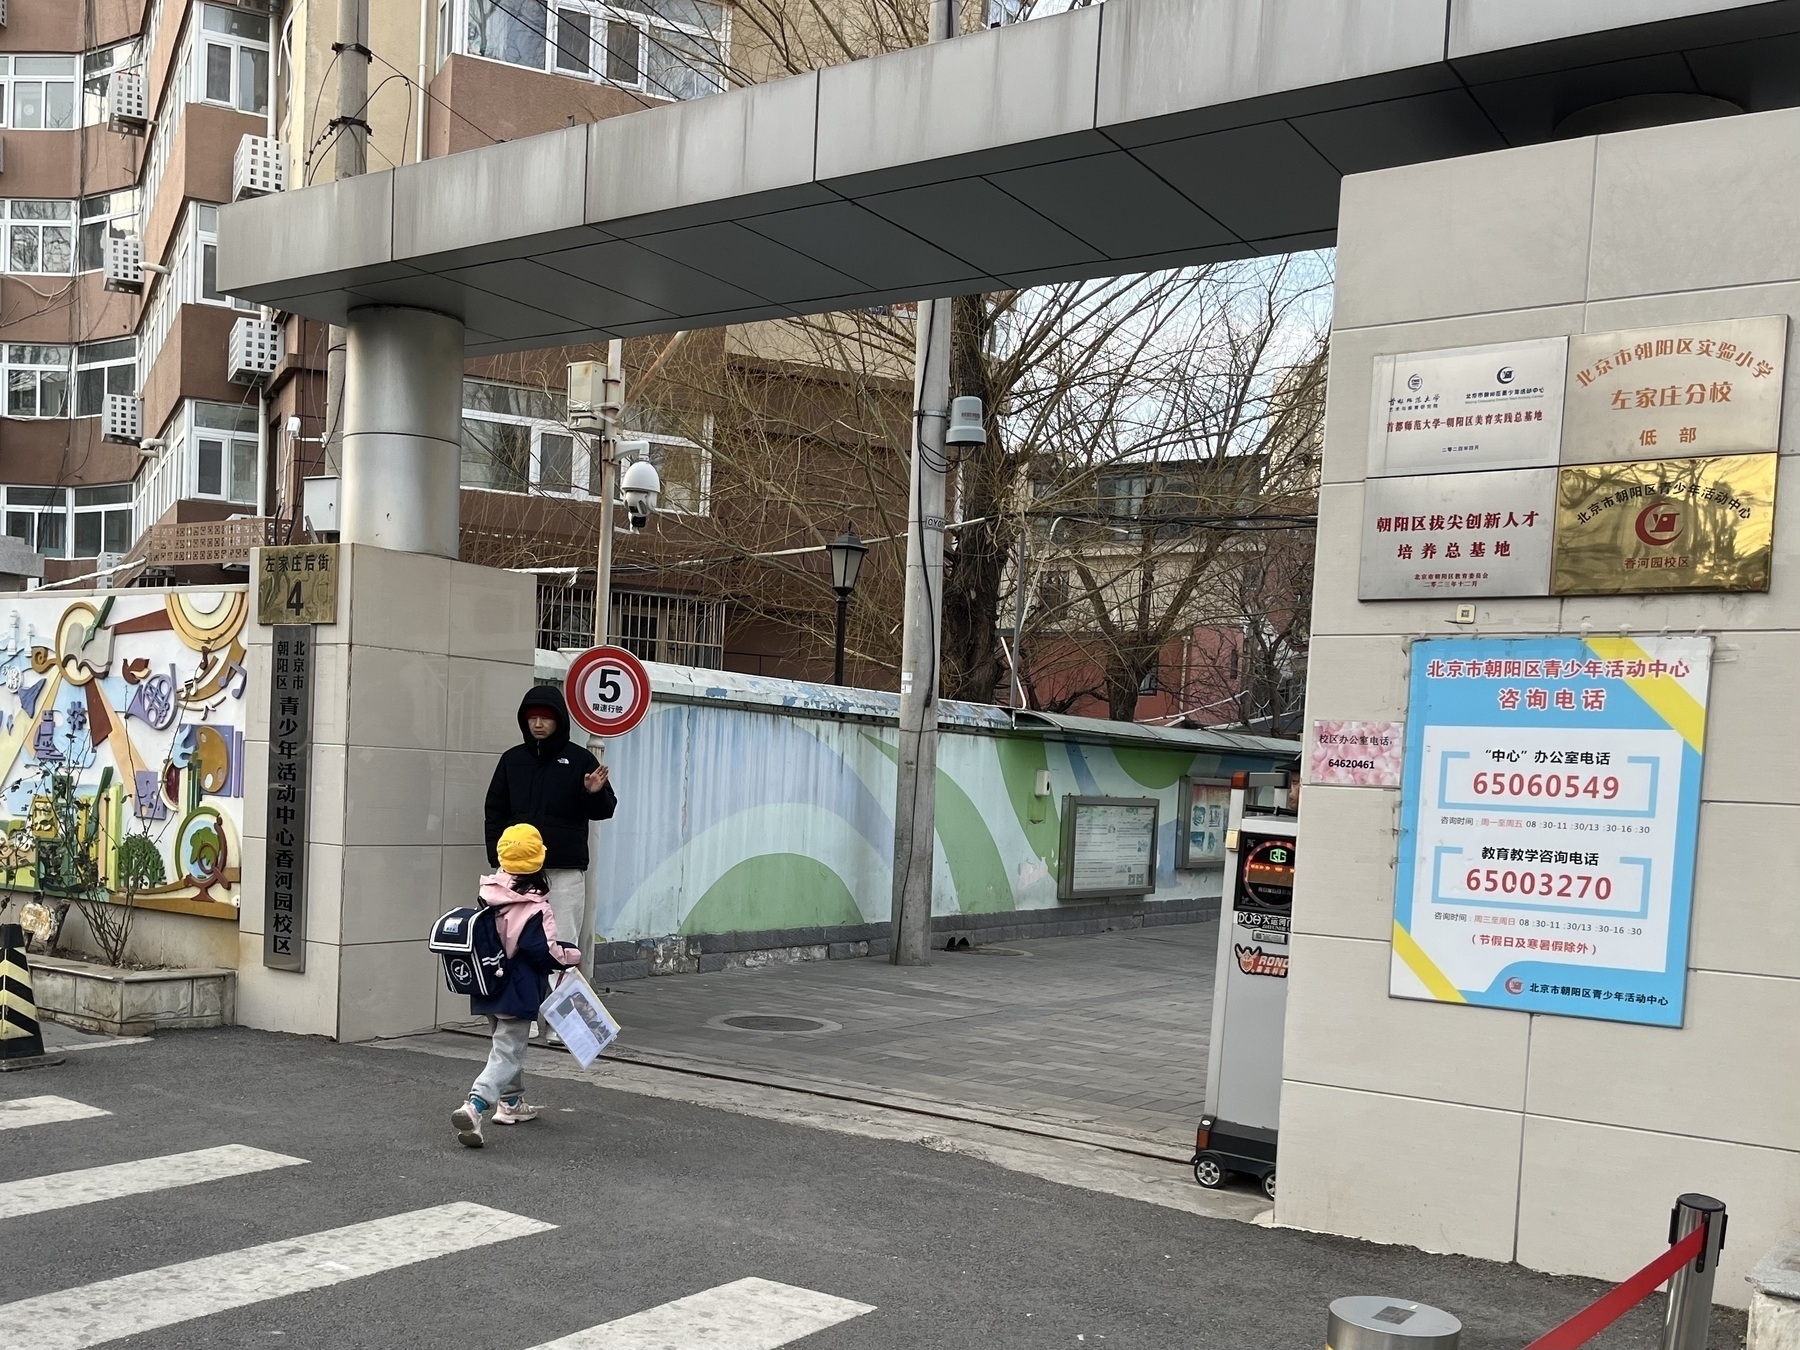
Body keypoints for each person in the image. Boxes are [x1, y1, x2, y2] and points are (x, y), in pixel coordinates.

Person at [451, 824, 581, 1149]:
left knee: (507, 1046)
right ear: (540, 862)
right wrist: (570, 956)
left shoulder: (490, 892)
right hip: (518, 988)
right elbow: (541, 951)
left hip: (487, 983)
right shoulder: (536, 907)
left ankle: (511, 1104)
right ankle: (476, 1105)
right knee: (508, 1052)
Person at [484, 685, 617, 975]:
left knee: (560, 946)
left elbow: (604, 811)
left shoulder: (581, 760)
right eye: (532, 718)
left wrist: (593, 793)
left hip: (564, 871)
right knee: (513, 942)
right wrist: (499, 858)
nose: (538, 724)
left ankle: (557, 1019)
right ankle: (526, 1017)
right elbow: (494, 810)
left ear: (559, 720)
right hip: (517, 871)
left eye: (545, 718)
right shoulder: (511, 760)